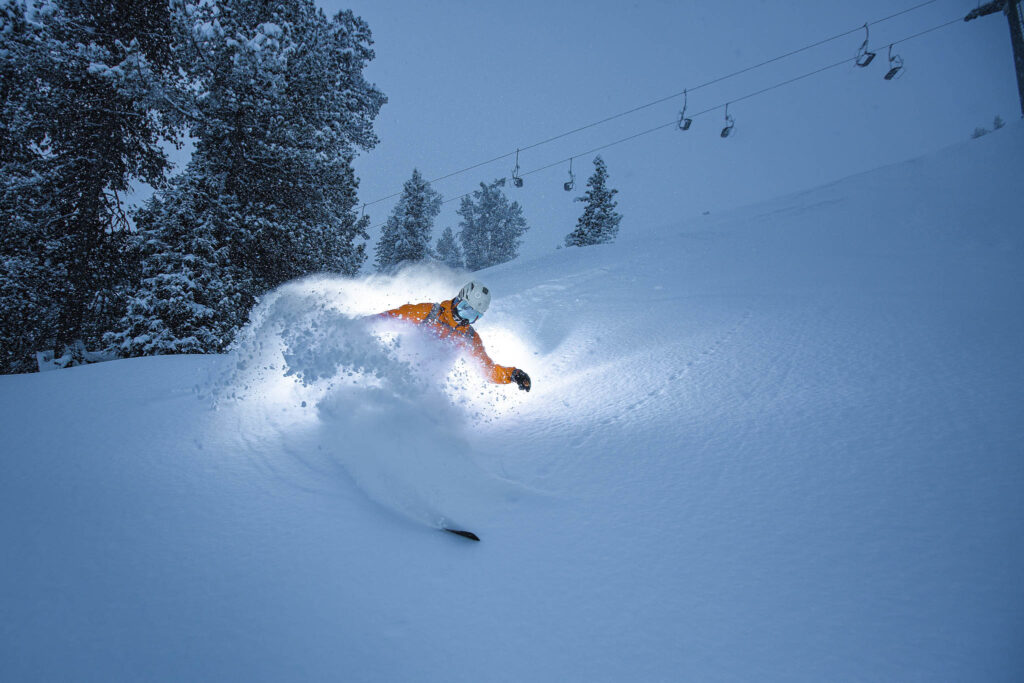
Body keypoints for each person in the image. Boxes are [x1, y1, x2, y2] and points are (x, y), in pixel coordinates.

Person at [377, 281, 531, 392]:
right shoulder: (428, 313)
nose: (464, 319)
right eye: (465, 310)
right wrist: (355, 328)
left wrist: (512, 374)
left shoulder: (469, 337)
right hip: (395, 374)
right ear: (458, 301)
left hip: (425, 389)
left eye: (473, 316)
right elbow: (387, 318)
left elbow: (486, 370)